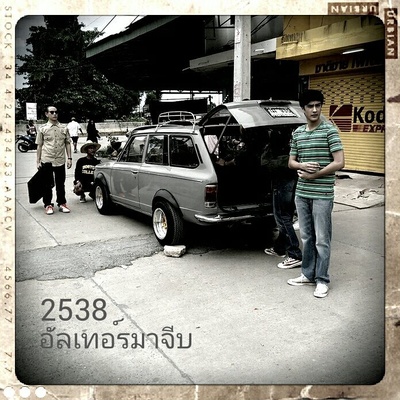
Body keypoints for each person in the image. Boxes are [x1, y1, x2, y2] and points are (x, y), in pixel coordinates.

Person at [287, 89, 345, 298]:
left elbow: (340, 162)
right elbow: (291, 162)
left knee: (322, 239)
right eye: (310, 106)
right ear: (303, 109)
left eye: (317, 105)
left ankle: (322, 279)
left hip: (322, 193)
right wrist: (302, 165)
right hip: (302, 193)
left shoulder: (330, 131)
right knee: (306, 236)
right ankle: (307, 274)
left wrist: (316, 174)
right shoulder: (298, 133)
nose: (314, 110)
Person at [263, 128, 302, 269]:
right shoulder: (292, 146)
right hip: (290, 183)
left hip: (282, 185)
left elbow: (265, 163)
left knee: (282, 218)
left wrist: (267, 147)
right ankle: (279, 247)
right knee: (286, 217)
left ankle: (295, 254)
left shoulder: (278, 151)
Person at [36, 106, 73, 215]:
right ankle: (48, 204)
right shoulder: (42, 129)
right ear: (46, 114)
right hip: (47, 160)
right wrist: (38, 161)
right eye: (51, 112)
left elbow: (67, 143)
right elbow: (39, 145)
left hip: (60, 160)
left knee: (60, 184)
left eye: (56, 112)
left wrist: (69, 158)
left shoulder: (64, 128)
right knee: (47, 184)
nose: (54, 114)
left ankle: (62, 203)